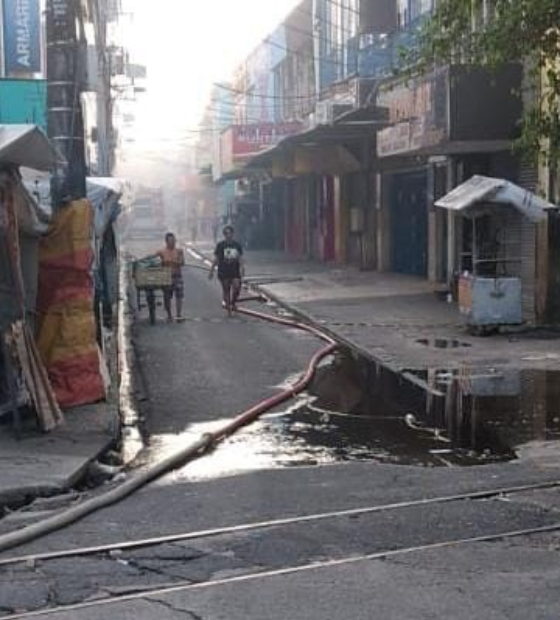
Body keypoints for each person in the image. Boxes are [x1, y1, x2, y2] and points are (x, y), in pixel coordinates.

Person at [208, 225, 244, 312]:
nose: (228, 235)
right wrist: (211, 271)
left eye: (230, 233)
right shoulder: (220, 245)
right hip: (223, 271)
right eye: (226, 233)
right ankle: (228, 307)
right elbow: (216, 259)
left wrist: (242, 268)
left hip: (234, 270)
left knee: (237, 287)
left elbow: (240, 258)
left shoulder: (237, 245)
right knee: (226, 289)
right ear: (224, 235)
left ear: (232, 234)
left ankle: (233, 302)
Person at [157, 232, 185, 322]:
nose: (172, 242)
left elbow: (182, 263)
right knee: (167, 297)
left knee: (179, 296)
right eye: (170, 241)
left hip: (177, 276)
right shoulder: (161, 252)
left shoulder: (179, 251)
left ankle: (178, 315)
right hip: (166, 277)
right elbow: (154, 260)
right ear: (166, 242)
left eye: (174, 241)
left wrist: (172, 262)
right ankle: (169, 315)